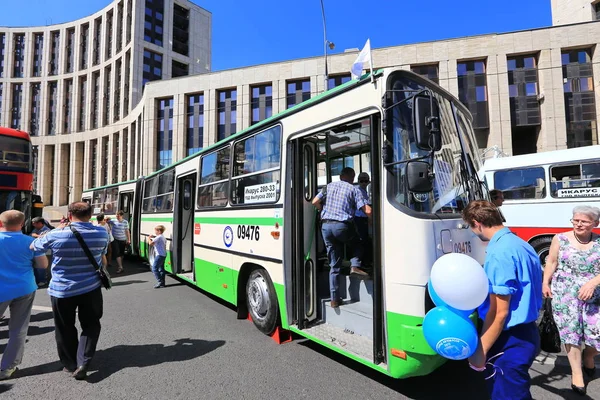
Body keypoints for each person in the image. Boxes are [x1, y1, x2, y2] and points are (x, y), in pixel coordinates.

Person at [462, 200, 543, 400]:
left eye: (470, 227)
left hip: (508, 339)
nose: (473, 232)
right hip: (526, 333)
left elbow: (499, 312)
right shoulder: (520, 244)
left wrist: (480, 352)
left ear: (476, 222)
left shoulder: (499, 253)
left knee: (507, 394)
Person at [31, 201, 109, 380]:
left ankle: (70, 363)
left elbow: (34, 246)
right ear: (90, 214)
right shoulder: (101, 232)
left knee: (64, 326)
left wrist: (58, 228)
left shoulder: (57, 234)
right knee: (91, 324)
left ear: (70, 214)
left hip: (62, 289)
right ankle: (84, 360)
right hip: (90, 287)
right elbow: (102, 252)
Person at [542, 205, 600, 395]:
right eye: (575, 220)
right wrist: (545, 282)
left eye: (584, 221)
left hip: (594, 294)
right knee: (571, 333)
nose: (578, 224)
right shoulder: (560, 239)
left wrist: (592, 283)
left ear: (595, 224)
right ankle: (577, 373)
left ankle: (589, 356)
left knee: (597, 333)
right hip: (565, 293)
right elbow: (551, 261)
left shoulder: (599, 242)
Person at [311, 167, 372, 308]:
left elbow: (314, 201)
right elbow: (367, 210)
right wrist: (371, 220)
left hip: (326, 227)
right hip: (342, 226)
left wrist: (323, 211)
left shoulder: (329, 187)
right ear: (352, 177)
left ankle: (334, 299)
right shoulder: (353, 189)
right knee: (358, 243)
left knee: (334, 264)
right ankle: (355, 266)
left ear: (340, 176)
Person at [0, 210, 48, 380]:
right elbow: (42, 265)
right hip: (24, 287)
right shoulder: (32, 241)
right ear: (22, 224)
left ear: (1, 223)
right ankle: (7, 368)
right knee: (18, 329)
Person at [355, 172, 372, 263]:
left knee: (365, 239)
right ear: (358, 181)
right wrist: (370, 219)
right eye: (362, 181)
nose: (364, 183)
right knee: (362, 240)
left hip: (363, 218)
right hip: (359, 219)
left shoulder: (365, 191)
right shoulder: (359, 191)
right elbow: (366, 209)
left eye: (366, 181)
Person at [30, 216, 52, 287]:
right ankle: (39, 279)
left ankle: (43, 280)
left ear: (40, 223)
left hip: (45, 251)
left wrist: (37, 236)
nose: (33, 225)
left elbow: (43, 238)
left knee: (42, 267)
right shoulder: (36, 229)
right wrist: (37, 235)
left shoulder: (47, 230)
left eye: (35, 223)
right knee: (37, 266)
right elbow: (32, 234)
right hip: (37, 250)